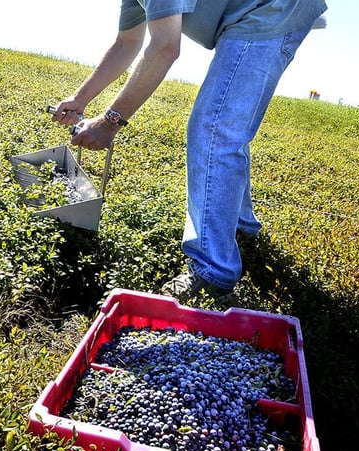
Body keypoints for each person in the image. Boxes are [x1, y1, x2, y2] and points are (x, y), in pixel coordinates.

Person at [51, 0, 327, 302]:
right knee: (222, 128)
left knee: (215, 128)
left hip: (271, 9)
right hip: (253, 14)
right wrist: (80, 99)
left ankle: (214, 272)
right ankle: (241, 227)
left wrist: (109, 122)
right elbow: (126, 44)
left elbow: (165, 49)